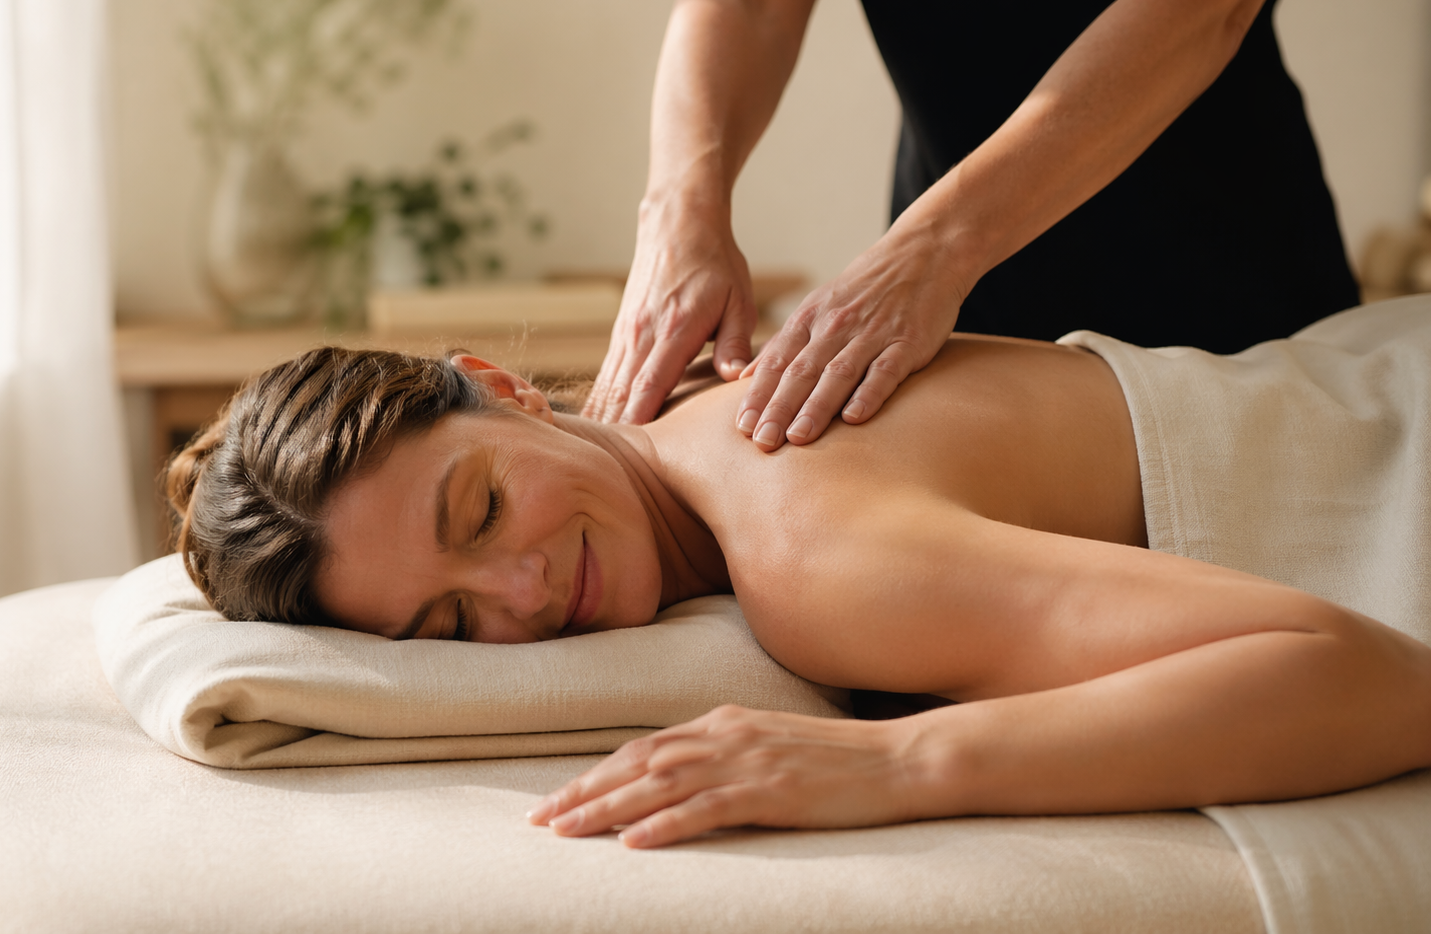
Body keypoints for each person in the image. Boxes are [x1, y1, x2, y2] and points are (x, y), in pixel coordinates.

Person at [168, 297, 1431, 848]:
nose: (521, 591)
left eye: (482, 507)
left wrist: (895, 764)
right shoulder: (703, 426)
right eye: (447, 622)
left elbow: (1366, 677)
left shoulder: (807, 558)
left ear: (501, 388)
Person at [585, 0, 1358, 453]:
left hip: (1225, 282)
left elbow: (1202, 8)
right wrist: (677, 209)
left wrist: (941, 246)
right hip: (962, 311)